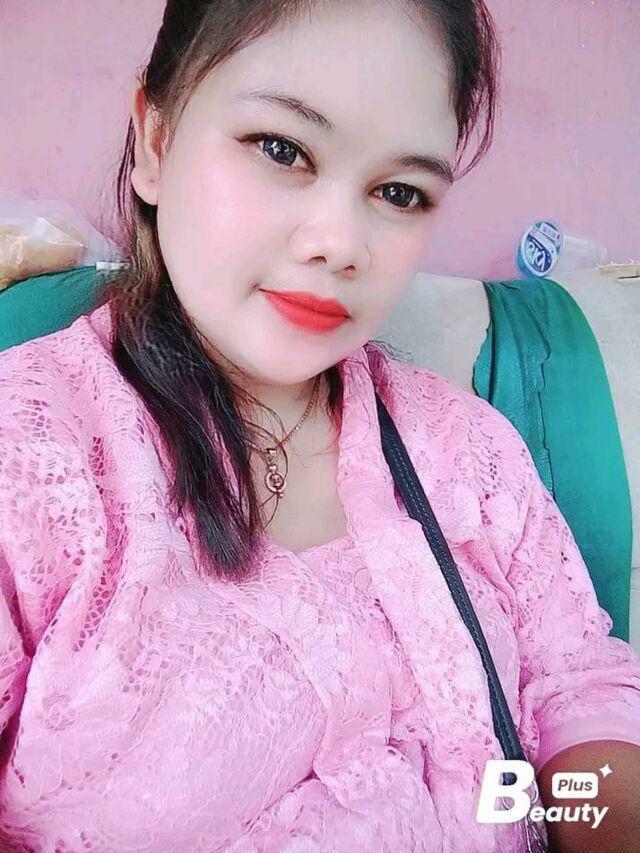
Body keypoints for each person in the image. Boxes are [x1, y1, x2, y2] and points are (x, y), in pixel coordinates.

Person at [0, 1, 639, 851]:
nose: (342, 244)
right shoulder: (28, 454)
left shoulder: (470, 451)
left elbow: (579, 690)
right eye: (281, 149)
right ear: (155, 140)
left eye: (400, 192)